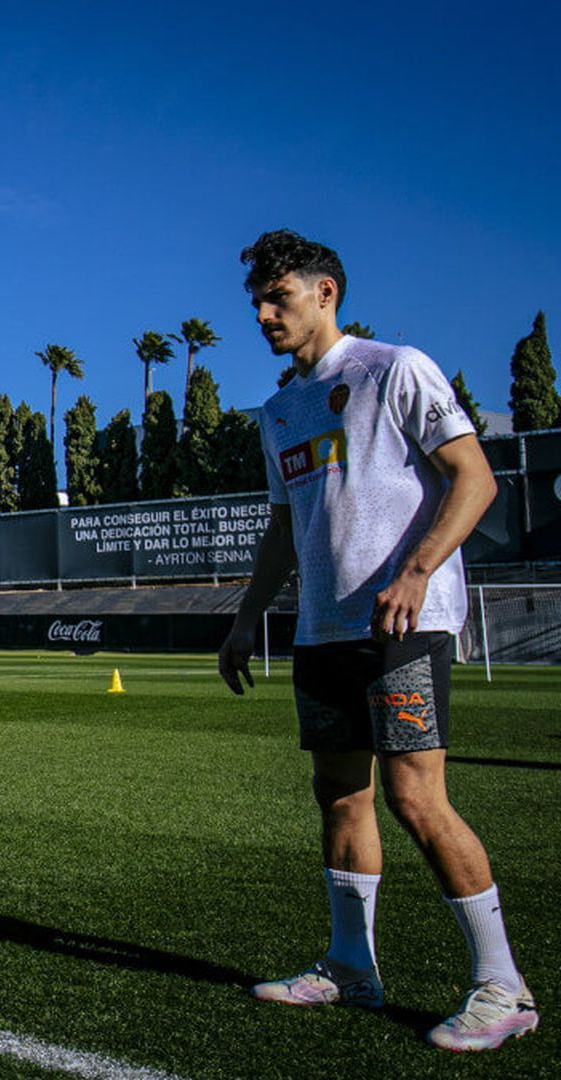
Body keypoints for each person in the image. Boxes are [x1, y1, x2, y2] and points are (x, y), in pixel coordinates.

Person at [218, 229, 537, 1052]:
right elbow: (283, 529)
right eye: (256, 300)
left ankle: (504, 988)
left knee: (414, 799)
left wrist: (419, 570)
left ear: (326, 293)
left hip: (402, 623)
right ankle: (352, 968)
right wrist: (250, 616)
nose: (262, 314)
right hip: (323, 630)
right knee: (341, 796)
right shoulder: (282, 409)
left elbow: (475, 478)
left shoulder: (395, 369)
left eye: (277, 297)